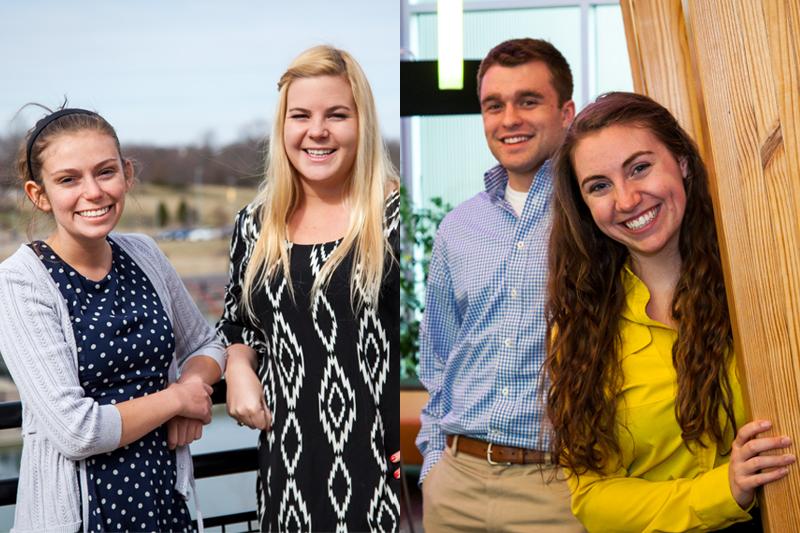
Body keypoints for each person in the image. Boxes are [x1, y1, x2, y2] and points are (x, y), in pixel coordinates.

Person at [546, 91, 794, 532]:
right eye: (599, 186)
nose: (625, 200)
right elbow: (593, 499)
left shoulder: (764, 284)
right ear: (584, 206)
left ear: (680, 161)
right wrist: (724, 489)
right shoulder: (579, 325)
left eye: (639, 168)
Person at [0, 107, 226, 532]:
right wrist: (176, 402)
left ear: (127, 174)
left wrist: (192, 383)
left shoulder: (143, 253)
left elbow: (207, 343)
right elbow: (76, 430)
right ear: (38, 194)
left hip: (163, 508)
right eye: (69, 179)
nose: (93, 192)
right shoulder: (20, 282)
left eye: (105, 172)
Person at [216, 45, 399, 532]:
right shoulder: (256, 225)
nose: (317, 131)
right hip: (288, 475)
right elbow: (238, 321)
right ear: (283, 127)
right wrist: (236, 365)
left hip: (382, 482)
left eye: (337, 114)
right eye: (301, 115)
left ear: (362, 123)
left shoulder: (396, 220)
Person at [416, 38, 583, 532]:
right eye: (494, 105)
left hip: (558, 489)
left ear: (566, 112)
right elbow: (438, 358)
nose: (509, 118)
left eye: (528, 101)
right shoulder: (457, 227)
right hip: (456, 485)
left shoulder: (597, 216)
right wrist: (433, 467)